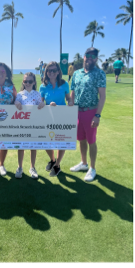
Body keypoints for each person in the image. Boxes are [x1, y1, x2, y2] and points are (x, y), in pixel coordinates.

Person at [67, 47, 106, 182]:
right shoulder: (76, 73)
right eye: (88, 55)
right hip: (77, 111)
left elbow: (102, 96)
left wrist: (97, 115)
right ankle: (84, 163)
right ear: (84, 57)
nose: (90, 58)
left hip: (91, 111)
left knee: (91, 141)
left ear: (96, 59)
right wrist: (70, 107)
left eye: (93, 56)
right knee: (81, 139)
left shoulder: (99, 73)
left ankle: (92, 168)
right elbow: (73, 92)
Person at [38, 62, 70, 176]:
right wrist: (45, 105)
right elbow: (40, 102)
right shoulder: (43, 86)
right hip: (48, 116)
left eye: (54, 70)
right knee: (45, 141)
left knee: (61, 141)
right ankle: (52, 160)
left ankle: (57, 165)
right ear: (46, 72)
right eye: (49, 70)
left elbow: (68, 98)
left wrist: (71, 102)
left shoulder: (64, 84)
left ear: (58, 72)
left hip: (62, 116)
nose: (51, 72)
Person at [14, 72, 44, 178]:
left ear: (34, 82)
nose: (27, 83)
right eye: (25, 81)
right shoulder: (19, 94)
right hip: (22, 125)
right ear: (23, 82)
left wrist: (42, 104)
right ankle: (19, 167)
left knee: (33, 146)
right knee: (21, 146)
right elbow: (16, 104)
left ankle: (32, 167)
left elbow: (40, 105)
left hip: (34, 125)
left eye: (30, 81)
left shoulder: (37, 94)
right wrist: (16, 103)